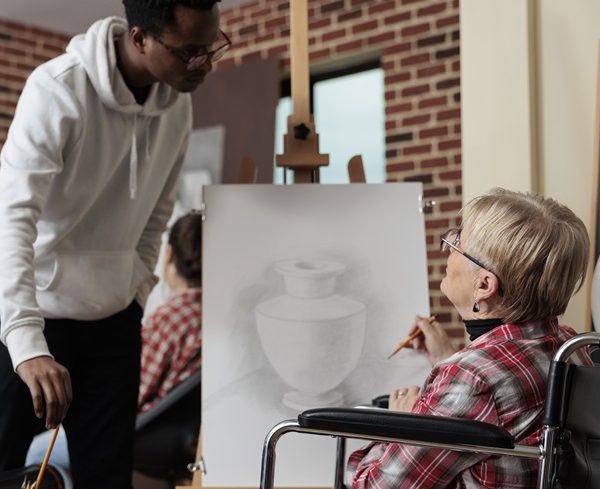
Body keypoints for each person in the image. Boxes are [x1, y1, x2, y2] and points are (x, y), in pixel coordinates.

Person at [0, 1, 226, 488]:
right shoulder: (57, 89)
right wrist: (25, 343)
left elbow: (156, 217)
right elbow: (11, 217)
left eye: (210, 48)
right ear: (141, 37)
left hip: (114, 324)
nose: (203, 64)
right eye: (189, 52)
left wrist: (135, 298)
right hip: (30, 319)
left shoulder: (177, 106)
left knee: (106, 478)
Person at [348, 188, 593, 489]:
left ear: (484, 285)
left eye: (457, 243)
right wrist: (446, 356)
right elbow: (499, 397)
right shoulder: (571, 347)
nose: (448, 248)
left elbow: (377, 487)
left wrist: (400, 426)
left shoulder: (472, 379)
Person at [26, 211, 203, 476]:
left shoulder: (171, 318)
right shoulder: (215, 318)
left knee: (37, 452)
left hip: (141, 430)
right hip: (181, 438)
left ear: (169, 256)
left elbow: (131, 392)